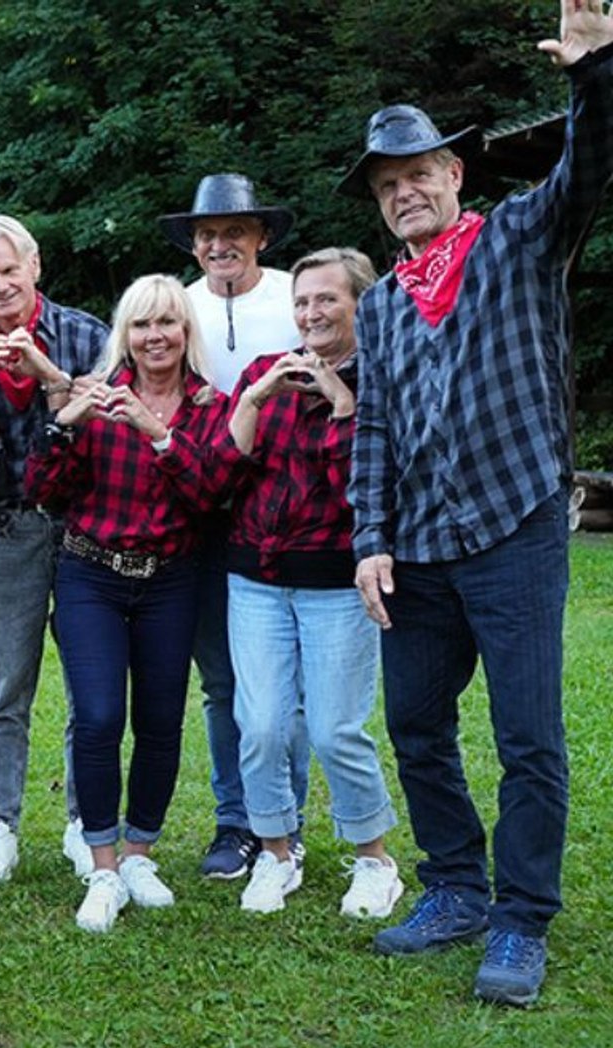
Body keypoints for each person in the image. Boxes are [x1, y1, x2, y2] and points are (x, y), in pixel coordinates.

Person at [340, 1, 612, 1007]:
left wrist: (595, 74)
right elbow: (372, 429)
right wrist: (369, 537)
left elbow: (590, 167)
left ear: (456, 174)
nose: (405, 192)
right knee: (414, 721)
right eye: (387, 184)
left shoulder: (520, 239)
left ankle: (521, 919)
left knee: (529, 732)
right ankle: (455, 886)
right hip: (416, 545)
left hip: (516, 525)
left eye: (420, 173)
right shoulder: (381, 303)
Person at [26, 275, 230, 933]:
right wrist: (63, 425)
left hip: (171, 577)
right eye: (142, 325)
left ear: (185, 331)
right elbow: (42, 489)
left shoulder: (210, 406)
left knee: (162, 719)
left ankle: (141, 849)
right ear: (126, 335)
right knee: (99, 715)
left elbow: (210, 495)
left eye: (168, 322)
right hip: (92, 573)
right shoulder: (96, 396)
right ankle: (104, 863)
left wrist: (159, 435)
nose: (155, 336)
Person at [221, 248, 403, 918]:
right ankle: (276, 851)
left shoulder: (382, 381)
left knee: (335, 729)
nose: (312, 313)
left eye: (327, 299)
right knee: (262, 724)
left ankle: (374, 860)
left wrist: (342, 405)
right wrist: (255, 399)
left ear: (360, 304)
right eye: (302, 302)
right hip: (256, 580)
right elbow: (219, 476)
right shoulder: (264, 375)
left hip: (336, 584)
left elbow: (366, 494)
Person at [0, 215, 108, 886]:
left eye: (10, 270)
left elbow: (96, 437)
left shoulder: (85, 335)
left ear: (35, 265)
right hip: (6, 525)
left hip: (82, 528)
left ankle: (81, 821)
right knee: (5, 685)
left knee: (86, 689)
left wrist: (47, 375)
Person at [160, 174, 309, 882]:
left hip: (284, 509)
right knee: (223, 682)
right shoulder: (177, 308)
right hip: (196, 510)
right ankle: (236, 821)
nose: (220, 245)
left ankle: (288, 820)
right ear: (194, 243)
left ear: (261, 237)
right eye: (207, 235)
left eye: (234, 232)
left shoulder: (292, 297)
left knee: (285, 686)